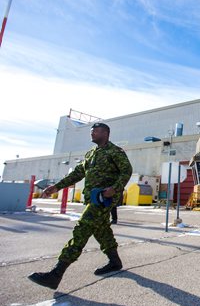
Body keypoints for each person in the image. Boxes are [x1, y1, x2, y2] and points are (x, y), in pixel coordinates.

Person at [28, 123, 133, 290]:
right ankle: (115, 262)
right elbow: (78, 173)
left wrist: (114, 189)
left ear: (105, 133)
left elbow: (126, 171)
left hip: (103, 199)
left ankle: (56, 274)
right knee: (101, 230)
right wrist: (57, 187)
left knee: (82, 229)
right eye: (91, 132)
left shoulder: (115, 151)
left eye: (96, 132)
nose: (92, 135)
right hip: (92, 198)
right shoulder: (91, 154)